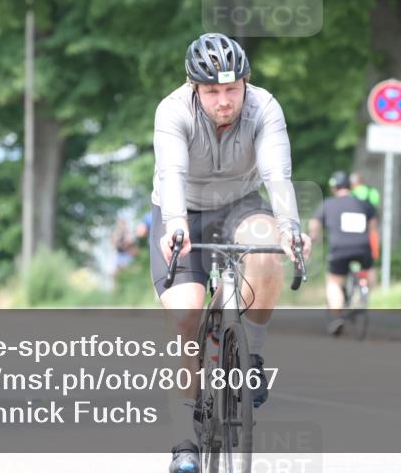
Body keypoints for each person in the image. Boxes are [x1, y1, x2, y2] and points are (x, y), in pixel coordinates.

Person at [151, 33, 312, 473]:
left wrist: (291, 228)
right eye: (212, 91)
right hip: (182, 209)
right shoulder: (172, 110)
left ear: (246, 82)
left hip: (240, 203)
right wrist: (175, 225)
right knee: (185, 318)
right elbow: (171, 173)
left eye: (232, 89)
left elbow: (277, 173)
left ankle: (251, 352)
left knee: (265, 248)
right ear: (193, 87)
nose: (224, 100)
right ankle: (183, 440)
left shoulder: (265, 107)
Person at [309, 171, 378, 336]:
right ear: (351, 186)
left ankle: (337, 316)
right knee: (369, 273)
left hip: (339, 249)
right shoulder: (365, 204)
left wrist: (315, 237)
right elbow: (374, 229)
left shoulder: (328, 204)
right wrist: (375, 251)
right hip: (363, 248)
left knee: (334, 282)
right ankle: (363, 295)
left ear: (334, 187)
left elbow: (314, 223)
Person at [349, 172, 381, 261]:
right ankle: (374, 253)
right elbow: (376, 203)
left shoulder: (351, 192)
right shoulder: (372, 191)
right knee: (373, 231)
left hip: (354, 222)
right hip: (370, 220)